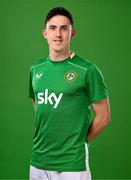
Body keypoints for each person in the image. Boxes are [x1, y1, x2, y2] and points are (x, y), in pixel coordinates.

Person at [28, 7, 110, 180]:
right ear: (44, 33)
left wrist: (80, 141)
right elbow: (38, 103)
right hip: (39, 160)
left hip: (72, 162)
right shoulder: (35, 69)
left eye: (64, 28)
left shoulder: (88, 70)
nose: (58, 34)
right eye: (53, 28)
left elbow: (104, 116)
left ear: (72, 33)